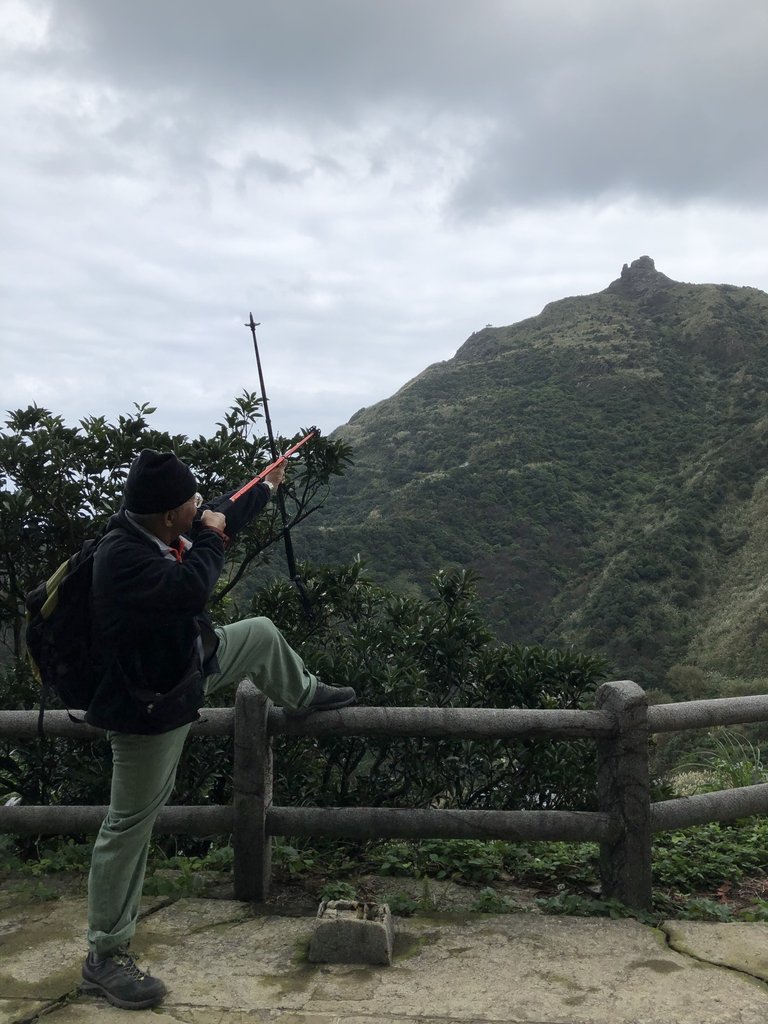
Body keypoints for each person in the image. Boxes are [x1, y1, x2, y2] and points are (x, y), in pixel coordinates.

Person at [80, 449, 356, 1010]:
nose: (199, 504)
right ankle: (104, 956)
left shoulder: (150, 528)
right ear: (167, 517)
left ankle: (303, 694)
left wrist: (268, 486)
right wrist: (210, 537)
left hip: (186, 665)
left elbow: (221, 514)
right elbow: (191, 589)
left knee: (256, 632)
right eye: (190, 503)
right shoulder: (124, 557)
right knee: (129, 823)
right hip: (147, 706)